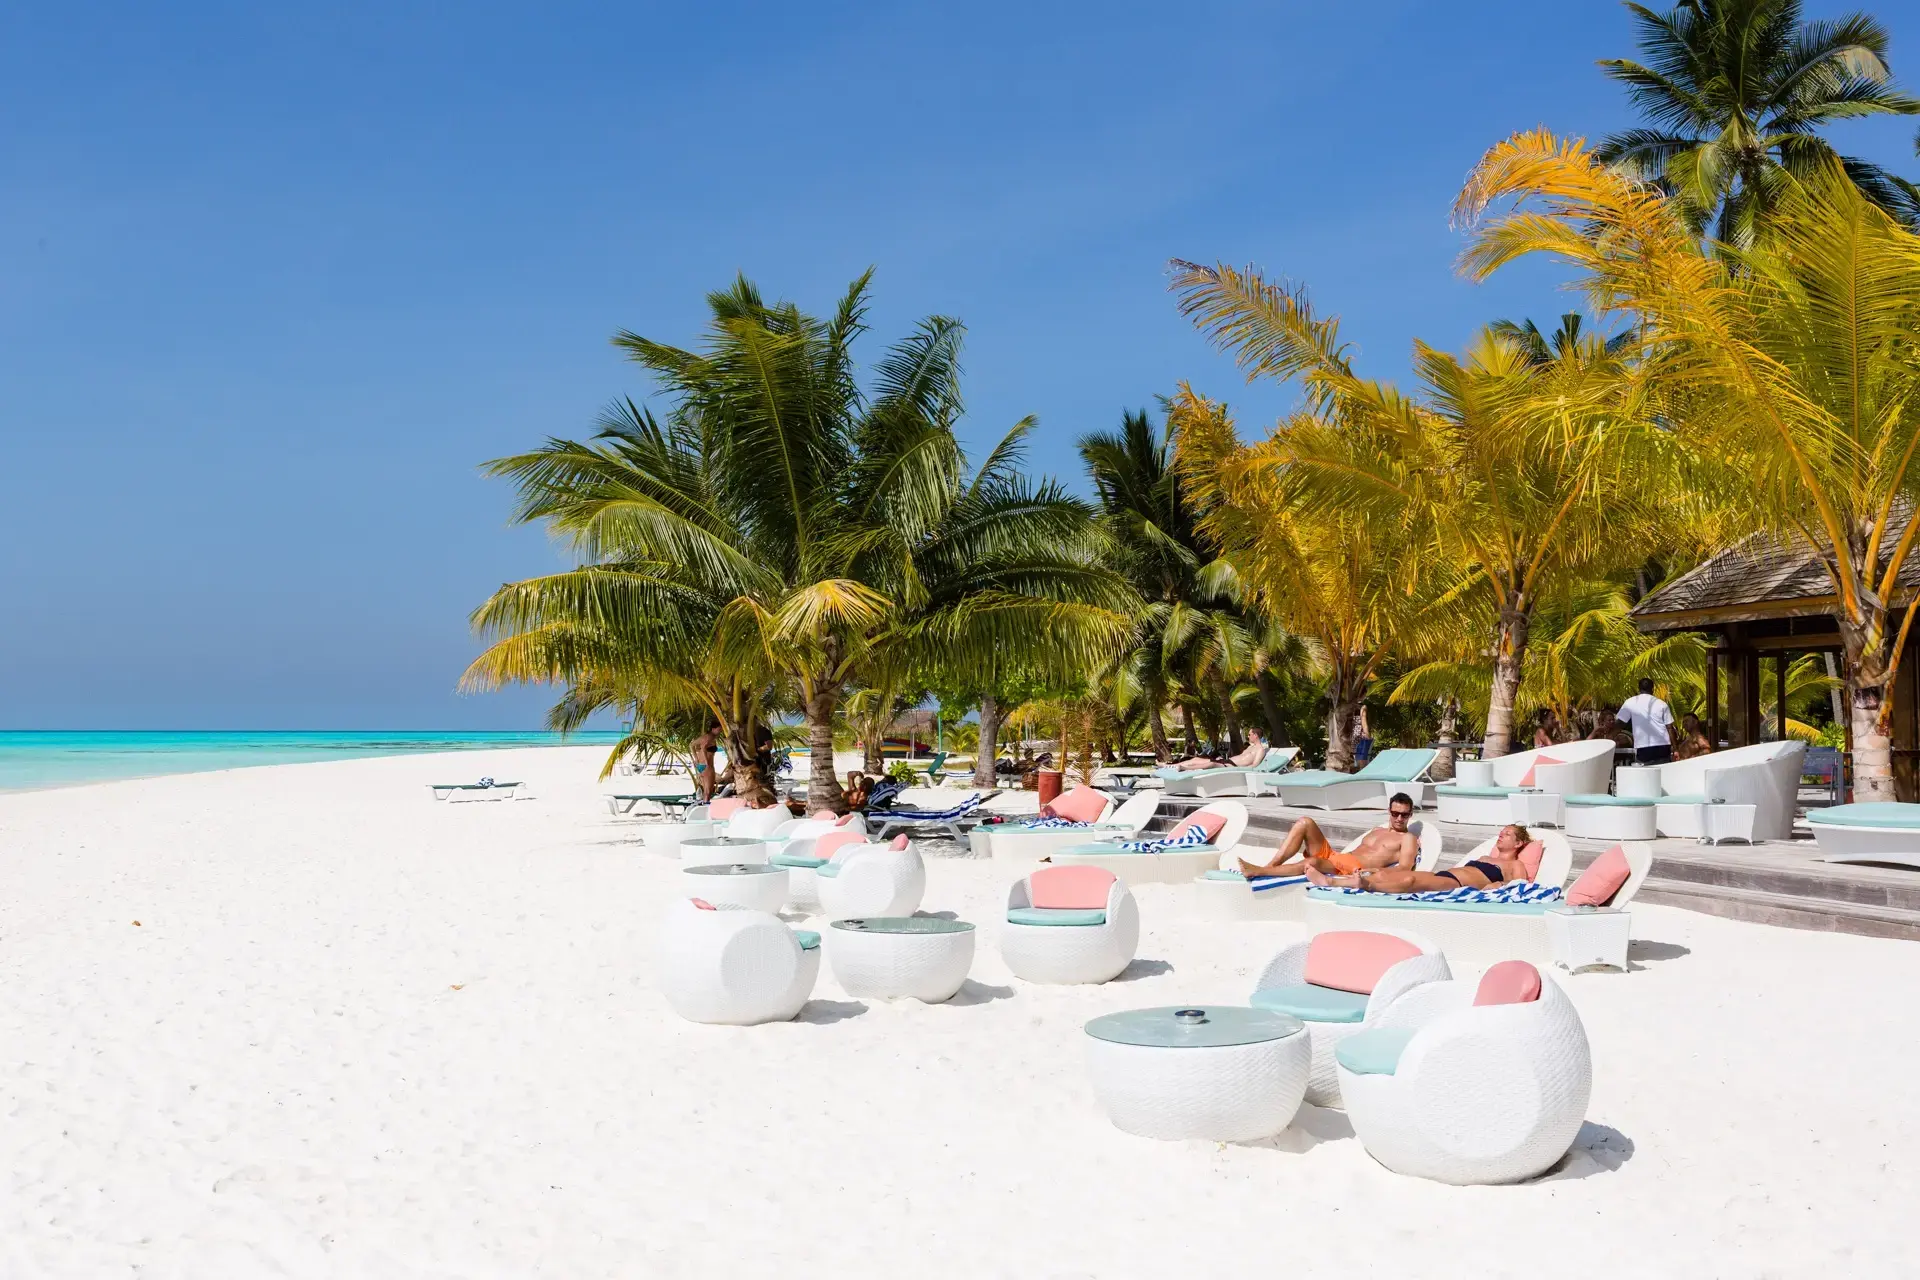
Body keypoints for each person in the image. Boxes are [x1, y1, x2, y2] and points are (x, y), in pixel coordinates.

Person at [1308, 822, 1536, 894]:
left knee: (1410, 882)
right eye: (1501, 832)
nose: (1501, 835)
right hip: (1446, 875)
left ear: (1518, 843)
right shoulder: (1485, 855)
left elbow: (1520, 888)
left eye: (1507, 834)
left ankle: (1340, 882)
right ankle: (1353, 880)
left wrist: (1497, 885)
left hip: (1459, 884)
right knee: (1392, 874)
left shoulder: (1514, 864)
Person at [1239, 791, 1420, 879]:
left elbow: (1404, 868)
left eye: (1404, 814)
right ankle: (1271, 866)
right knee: (1305, 822)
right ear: (1389, 811)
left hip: (1350, 868)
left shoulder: (1408, 839)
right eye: (1395, 813)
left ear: (1410, 815)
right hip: (1336, 857)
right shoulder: (1376, 830)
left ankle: (1260, 871)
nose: (1399, 818)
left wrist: (1375, 871)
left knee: (1311, 863)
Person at [1617, 678, 1677, 765]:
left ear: (1639, 688)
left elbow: (1620, 723)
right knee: (1662, 773)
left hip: (1643, 746)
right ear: (1652, 689)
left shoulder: (1630, 702)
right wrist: (1676, 749)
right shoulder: (1662, 704)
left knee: (1645, 774)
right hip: (1663, 745)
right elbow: (1670, 728)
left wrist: (1609, 736)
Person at [1170, 727, 1268, 773]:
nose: (1248, 736)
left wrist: (1237, 769)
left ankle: (1184, 768)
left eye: (1249, 734)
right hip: (1227, 761)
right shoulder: (1250, 747)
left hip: (1231, 766)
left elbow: (1254, 765)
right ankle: (1168, 766)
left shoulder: (1260, 750)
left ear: (1255, 735)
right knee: (1197, 759)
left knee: (1211, 764)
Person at [690, 723, 719, 800]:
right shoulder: (710, 738)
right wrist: (706, 762)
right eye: (718, 729)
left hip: (700, 766)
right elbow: (703, 749)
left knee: (706, 790)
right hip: (707, 766)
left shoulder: (704, 737)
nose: (720, 731)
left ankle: (703, 806)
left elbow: (691, 745)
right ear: (713, 729)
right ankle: (705, 807)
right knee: (709, 791)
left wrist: (696, 758)